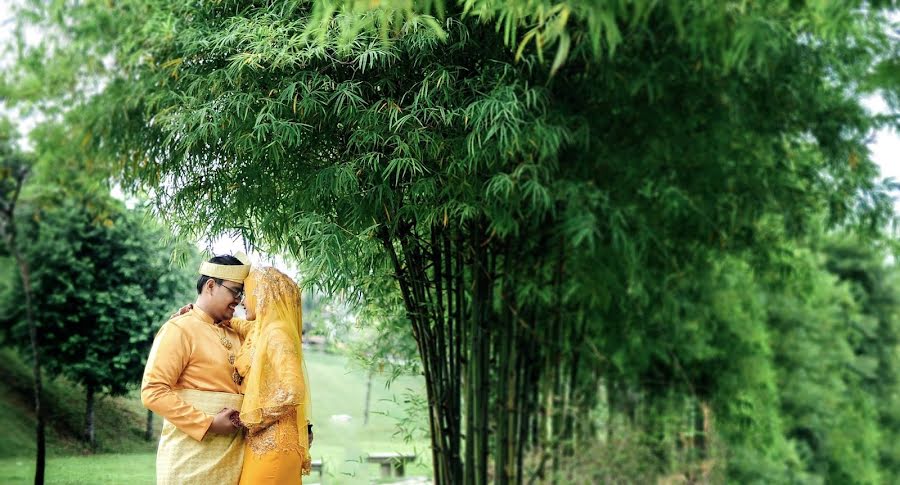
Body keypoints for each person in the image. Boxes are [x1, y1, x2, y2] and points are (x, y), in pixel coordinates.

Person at [141, 253, 251, 485]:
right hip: (189, 461)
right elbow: (153, 392)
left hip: (233, 459)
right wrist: (209, 424)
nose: (239, 300)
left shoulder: (237, 333)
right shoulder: (180, 329)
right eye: (234, 291)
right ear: (211, 285)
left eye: (242, 293)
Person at [228, 266, 313, 485]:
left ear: (263, 295)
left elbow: (294, 391)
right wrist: (196, 312)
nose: (243, 302)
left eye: (247, 295)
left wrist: (253, 419)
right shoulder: (261, 330)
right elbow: (236, 323)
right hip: (262, 441)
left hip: (276, 442)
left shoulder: (277, 334)